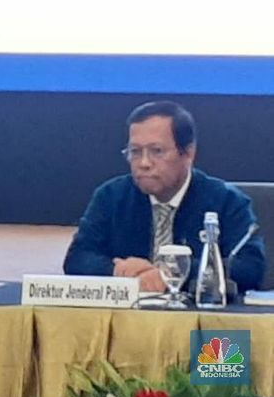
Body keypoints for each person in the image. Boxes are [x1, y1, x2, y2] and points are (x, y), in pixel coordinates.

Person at [64, 101, 266, 292]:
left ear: (188, 153)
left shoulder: (227, 201)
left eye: (156, 151)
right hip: (130, 313)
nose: (144, 163)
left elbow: (250, 268)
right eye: (135, 152)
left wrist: (171, 273)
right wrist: (118, 270)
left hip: (199, 313)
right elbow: (77, 259)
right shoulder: (111, 197)